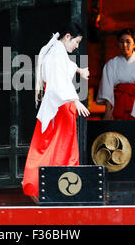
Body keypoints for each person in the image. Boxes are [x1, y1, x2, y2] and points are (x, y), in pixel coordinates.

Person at [22, 22, 90, 203]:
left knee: (59, 145)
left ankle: (56, 189)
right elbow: (58, 81)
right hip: (59, 106)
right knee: (54, 145)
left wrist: (78, 70)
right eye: (76, 42)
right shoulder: (55, 53)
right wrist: (76, 101)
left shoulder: (57, 51)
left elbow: (64, 68)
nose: (76, 46)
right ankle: (40, 186)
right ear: (67, 37)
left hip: (61, 105)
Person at [97, 28, 135, 120]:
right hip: (118, 103)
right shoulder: (111, 64)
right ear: (118, 44)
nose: (124, 45)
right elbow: (107, 90)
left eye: (128, 42)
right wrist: (108, 112)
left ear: (134, 44)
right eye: (121, 42)